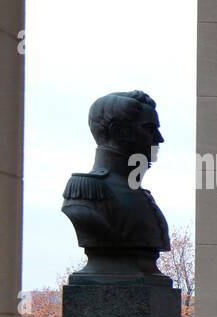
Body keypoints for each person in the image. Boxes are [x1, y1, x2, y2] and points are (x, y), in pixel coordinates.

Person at [61, 91, 171, 275]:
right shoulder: (88, 193)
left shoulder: (140, 195)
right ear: (119, 132)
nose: (159, 139)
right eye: (149, 128)